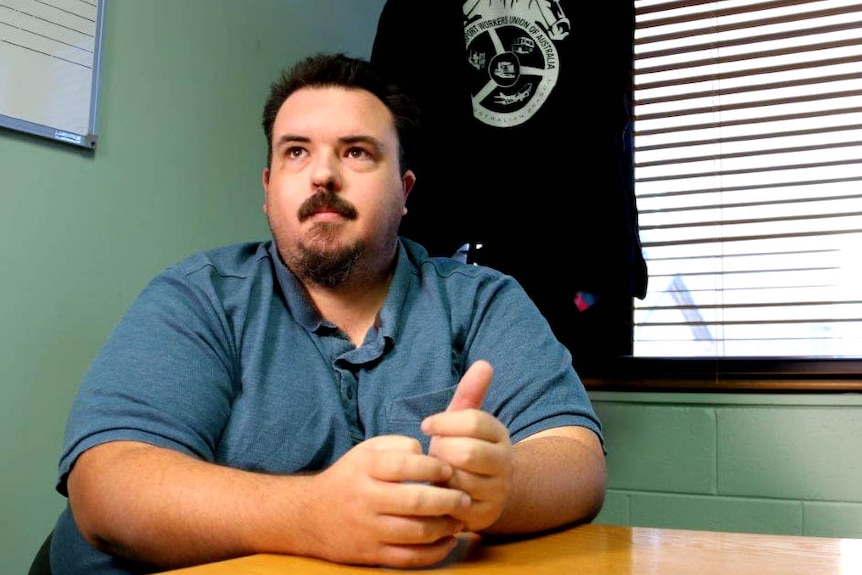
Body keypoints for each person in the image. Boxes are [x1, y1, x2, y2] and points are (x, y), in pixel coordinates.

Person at [48, 53, 607, 574]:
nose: (323, 175)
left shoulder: (482, 300)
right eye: (296, 151)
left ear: (404, 190)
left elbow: (576, 462)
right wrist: (312, 514)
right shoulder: (199, 298)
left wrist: (501, 486)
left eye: (357, 152)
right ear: (269, 189)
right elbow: (106, 486)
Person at [371, 1, 648, 373]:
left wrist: (608, 271)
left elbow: (607, 123)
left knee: (558, 410)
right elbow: (385, 127)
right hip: (440, 264)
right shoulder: (412, 13)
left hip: (570, 260)